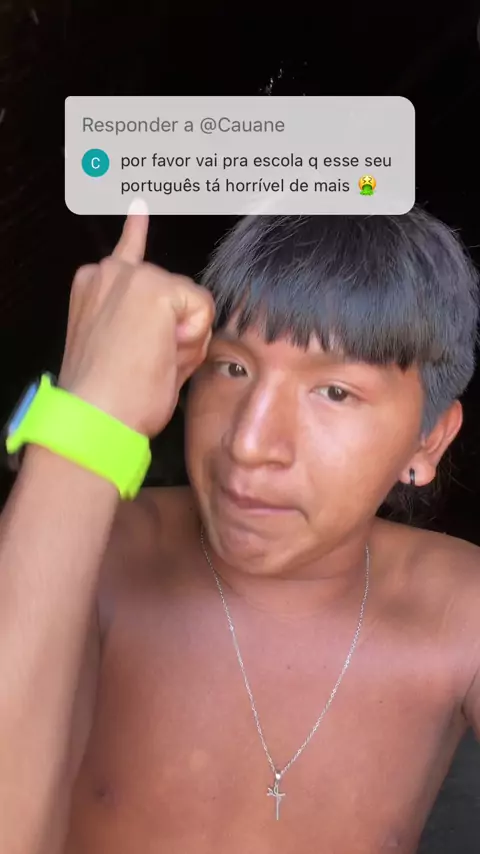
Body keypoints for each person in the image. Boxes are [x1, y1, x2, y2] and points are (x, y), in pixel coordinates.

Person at [0, 206, 479, 854]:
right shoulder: (96, 550)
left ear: (428, 440)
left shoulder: (459, 610)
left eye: (335, 392)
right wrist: (90, 415)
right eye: (232, 368)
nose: (250, 444)